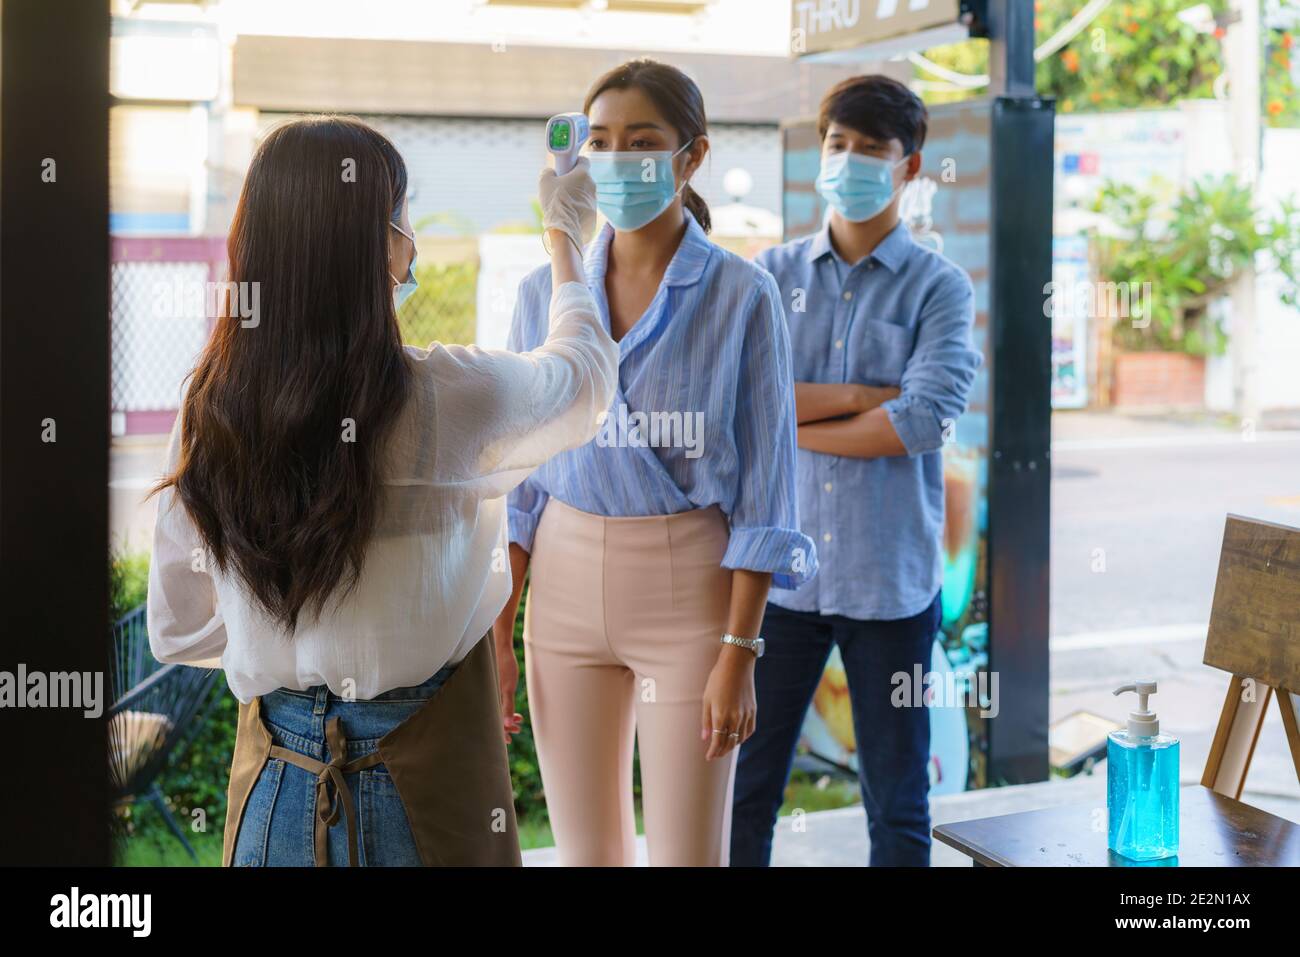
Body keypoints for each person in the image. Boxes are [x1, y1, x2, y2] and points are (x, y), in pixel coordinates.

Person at [146, 115, 617, 866]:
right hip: (423, 790)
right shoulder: (445, 397)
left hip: (274, 788)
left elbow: (176, 627)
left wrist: (294, 641)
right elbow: (585, 381)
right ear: (377, 246)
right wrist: (565, 237)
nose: (412, 240)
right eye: (403, 218)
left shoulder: (209, 410)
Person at [493, 59, 816, 867]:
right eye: (598, 141)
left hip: (689, 590)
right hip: (561, 585)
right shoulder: (543, 291)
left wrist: (740, 653)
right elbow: (517, 483)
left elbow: (767, 494)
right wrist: (499, 635)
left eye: (643, 142)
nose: (617, 160)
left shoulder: (743, 294)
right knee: (587, 854)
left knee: (687, 856)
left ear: (691, 156)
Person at [730, 75, 981, 867]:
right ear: (820, 152)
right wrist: (857, 400)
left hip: (890, 581)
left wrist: (797, 424)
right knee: (745, 787)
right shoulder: (770, 275)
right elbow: (743, 403)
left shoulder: (940, 286)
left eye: (873, 150)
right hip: (780, 580)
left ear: (910, 169)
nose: (851, 161)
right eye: (839, 144)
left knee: (900, 799)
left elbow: (920, 419)